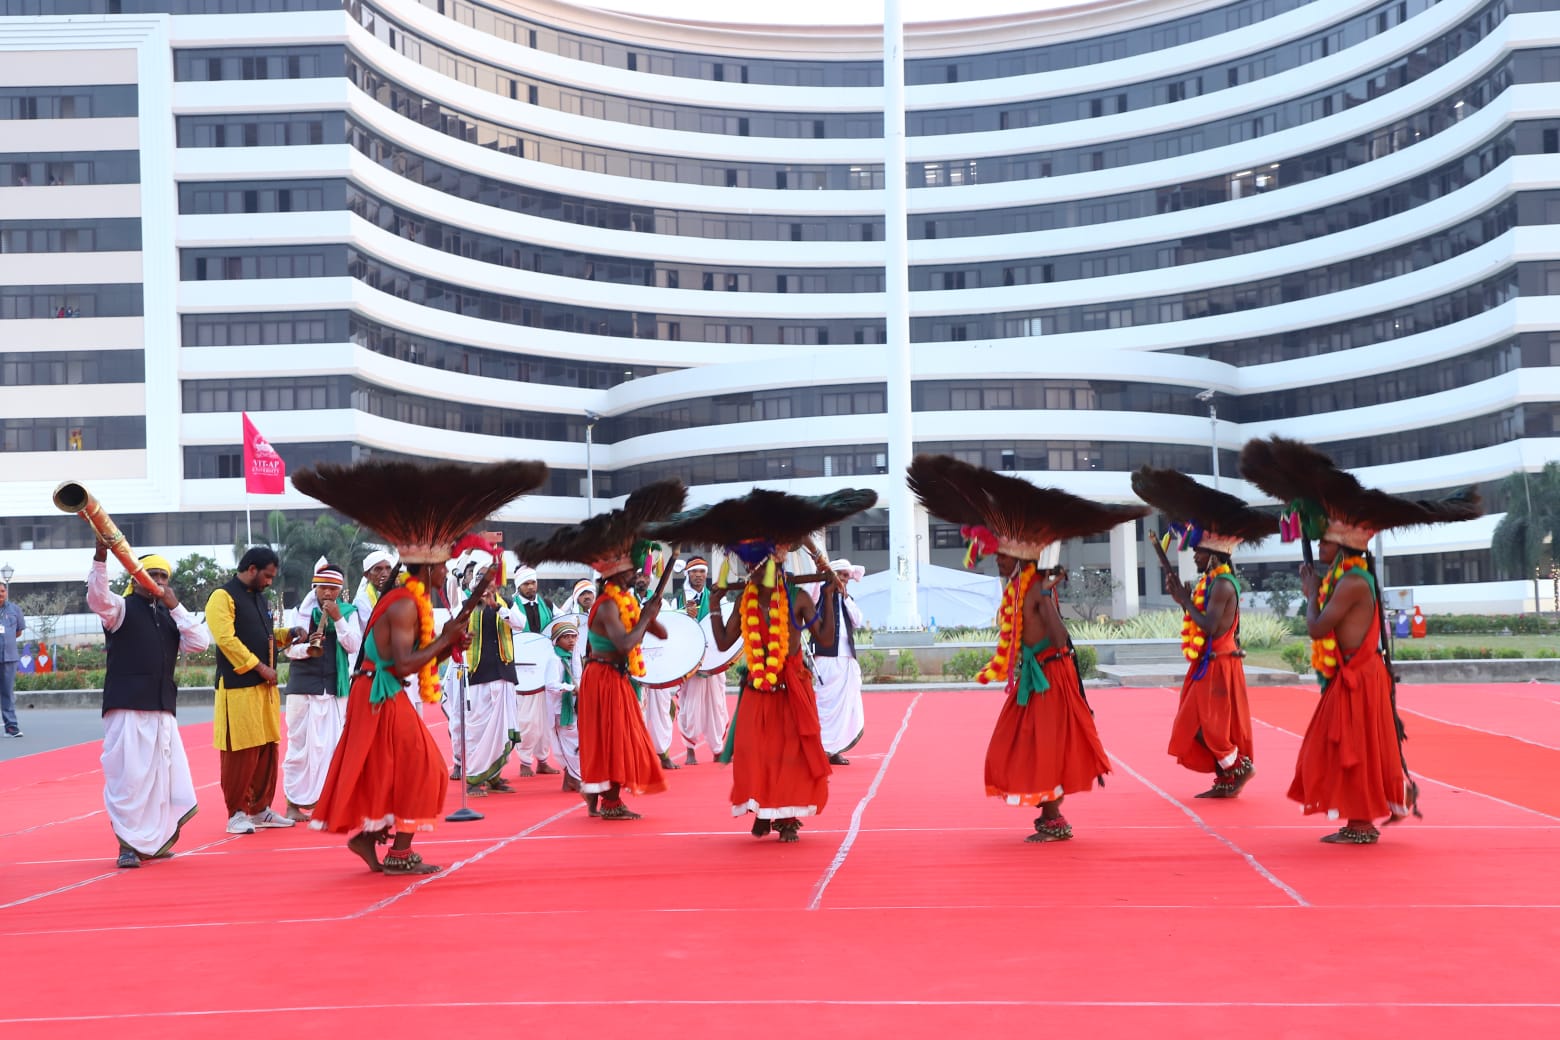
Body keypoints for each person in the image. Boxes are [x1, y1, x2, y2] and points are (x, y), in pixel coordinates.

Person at [294, 456, 550, 873]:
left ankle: (368, 837)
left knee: (393, 771)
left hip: (380, 690)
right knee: (426, 768)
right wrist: (445, 641)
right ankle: (398, 851)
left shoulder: (409, 601)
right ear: (428, 566)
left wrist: (446, 644)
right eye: (443, 564)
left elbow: (409, 657)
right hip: (380, 691)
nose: (446, 570)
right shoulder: (404, 605)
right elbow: (402, 665)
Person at [1240, 436, 1480, 844]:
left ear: (1343, 542)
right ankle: (1370, 812)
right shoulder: (1344, 576)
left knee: (1351, 749)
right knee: (1343, 748)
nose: (1319, 545)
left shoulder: (1351, 580)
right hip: (1351, 675)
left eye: (1325, 540)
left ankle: (1363, 823)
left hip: (1358, 678)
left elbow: (1317, 628)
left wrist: (1310, 595)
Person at [909, 454, 1146, 842]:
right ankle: (1050, 814)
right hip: (1036, 674)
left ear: (1018, 558)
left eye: (1002, 556)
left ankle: (1054, 820)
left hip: (1049, 674)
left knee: (1044, 744)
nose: (997, 561)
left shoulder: (1033, 589)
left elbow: (1056, 635)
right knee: (1021, 742)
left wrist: (1045, 620)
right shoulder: (1023, 588)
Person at [648, 487, 878, 842]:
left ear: (776, 566)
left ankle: (786, 818)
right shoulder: (745, 601)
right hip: (757, 686)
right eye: (749, 570)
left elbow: (827, 638)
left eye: (757, 569)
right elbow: (724, 642)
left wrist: (829, 598)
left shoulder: (799, 598)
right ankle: (762, 809)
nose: (751, 575)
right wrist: (715, 602)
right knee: (755, 754)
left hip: (792, 687)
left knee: (791, 754)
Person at [515, 480, 686, 820]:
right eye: (631, 573)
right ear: (616, 575)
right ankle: (608, 802)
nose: (635, 576)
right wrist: (645, 617)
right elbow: (625, 644)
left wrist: (649, 611)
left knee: (609, 737)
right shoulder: (607, 605)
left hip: (613, 676)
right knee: (611, 738)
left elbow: (661, 633)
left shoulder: (625, 602)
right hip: (604, 676)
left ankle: (596, 798)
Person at [1131, 466, 1276, 799]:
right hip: (1207, 662)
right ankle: (1227, 775)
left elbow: (1210, 626)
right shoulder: (1212, 581)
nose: (1193, 554)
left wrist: (1184, 600)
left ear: (1213, 555)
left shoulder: (1223, 583)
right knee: (1194, 725)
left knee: (1208, 727)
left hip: (1218, 666)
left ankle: (1239, 768)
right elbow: (1205, 623)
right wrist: (1182, 601)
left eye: (1198, 550)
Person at [86, 546, 210, 868]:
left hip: (162, 708)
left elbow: (200, 642)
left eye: (162, 576)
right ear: (136, 577)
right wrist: (100, 558)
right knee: (129, 779)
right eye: (151, 574)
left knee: (159, 780)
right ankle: (127, 845)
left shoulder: (170, 617)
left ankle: (152, 842)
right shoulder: (121, 608)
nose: (157, 580)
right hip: (126, 707)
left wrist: (177, 606)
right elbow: (98, 598)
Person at [206, 547, 299, 835]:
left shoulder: (260, 598)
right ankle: (236, 812)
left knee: (267, 749)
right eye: (267, 576)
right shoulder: (222, 597)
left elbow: (266, 638)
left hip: (264, 688)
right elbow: (225, 639)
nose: (270, 582)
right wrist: (259, 667)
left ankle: (260, 810)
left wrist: (290, 634)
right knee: (241, 753)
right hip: (238, 688)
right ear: (251, 569)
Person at [281, 562, 363, 822]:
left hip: (335, 689)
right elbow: (288, 650)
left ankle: (326, 803)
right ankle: (293, 804)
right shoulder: (299, 614)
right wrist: (309, 647)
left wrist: (338, 619)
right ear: (315, 587)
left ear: (339, 591)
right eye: (323, 588)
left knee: (331, 748)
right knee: (299, 747)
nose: (328, 593)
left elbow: (353, 646)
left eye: (333, 589)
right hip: (303, 689)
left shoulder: (348, 612)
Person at [461, 581, 520, 794]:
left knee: (503, 727)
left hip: (504, 672)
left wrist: (496, 606)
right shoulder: (467, 605)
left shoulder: (508, 604)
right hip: (479, 673)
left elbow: (519, 624)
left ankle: (495, 776)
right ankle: (475, 779)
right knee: (480, 728)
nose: (486, 587)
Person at [808, 558, 867, 766]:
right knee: (825, 704)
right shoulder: (820, 595)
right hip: (825, 657)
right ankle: (822, 748)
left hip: (846, 658)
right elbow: (812, 598)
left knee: (845, 707)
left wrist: (846, 597)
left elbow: (858, 620)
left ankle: (835, 749)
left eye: (847, 576)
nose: (846, 579)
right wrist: (821, 581)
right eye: (842, 575)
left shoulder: (846, 598)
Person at [673, 557, 729, 766]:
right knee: (690, 706)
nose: (698, 575)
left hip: (715, 658)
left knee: (717, 705)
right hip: (690, 660)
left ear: (706, 574)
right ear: (687, 574)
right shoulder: (679, 599)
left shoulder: (717, 598)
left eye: (702, 572)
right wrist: (684, 614)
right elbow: (674, 626)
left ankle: (717, 749)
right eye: (694, 572)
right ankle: (690, 750)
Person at [508, 566, 560, 777]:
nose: (531, 587)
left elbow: (561, 622)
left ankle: (543, 760)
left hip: (546, 667)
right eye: (526, 584)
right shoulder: (512, 606)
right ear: (518, 586)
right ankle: (524, 761)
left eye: (533, 583)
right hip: (523, 669)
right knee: (527, 718)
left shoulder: (547, 604)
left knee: (546, 717)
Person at [544, 618, 583, 793]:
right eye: (566, 637)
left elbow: (579, 678)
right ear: (557, 640)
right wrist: (571, 688)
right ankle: (577, 778)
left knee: (573, 745)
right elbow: (550, 685)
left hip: (574, 707)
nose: (571, 640)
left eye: (573, 636)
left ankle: (571, 781)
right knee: (572, 746)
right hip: (561, 710)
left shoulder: (573, 657)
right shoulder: (555, 659)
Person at [0, 577, 25, 737]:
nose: (0, 594)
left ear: (6, 592)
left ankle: (11, 727)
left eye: (2, 591)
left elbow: (18, 632)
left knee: (7, 693)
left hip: (9, 658)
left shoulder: (15, 610)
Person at [353, 549, 397, 618]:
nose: (384, 574)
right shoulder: (362, 600)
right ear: (367, 575)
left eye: (388, 568)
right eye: (378, 569)